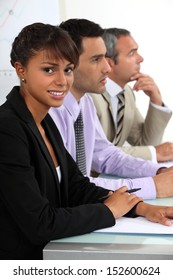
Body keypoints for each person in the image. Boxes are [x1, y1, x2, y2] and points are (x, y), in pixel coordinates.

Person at [49, 18, 173, 199]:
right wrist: (152, 186)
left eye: (105, 57)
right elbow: (72, 185)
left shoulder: (85, 103)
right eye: (96, 59)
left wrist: (159, 171)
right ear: (68, 64)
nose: (107, 67)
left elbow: (107, 155)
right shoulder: (51, 113)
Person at [90, 27, 173, 162]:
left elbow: (144, 144)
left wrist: (156, 100)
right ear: (109, 62)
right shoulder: (89, 95)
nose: (140, 59)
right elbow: (95, 152)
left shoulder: (126, 93)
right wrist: (154, 153)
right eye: (132, 53)